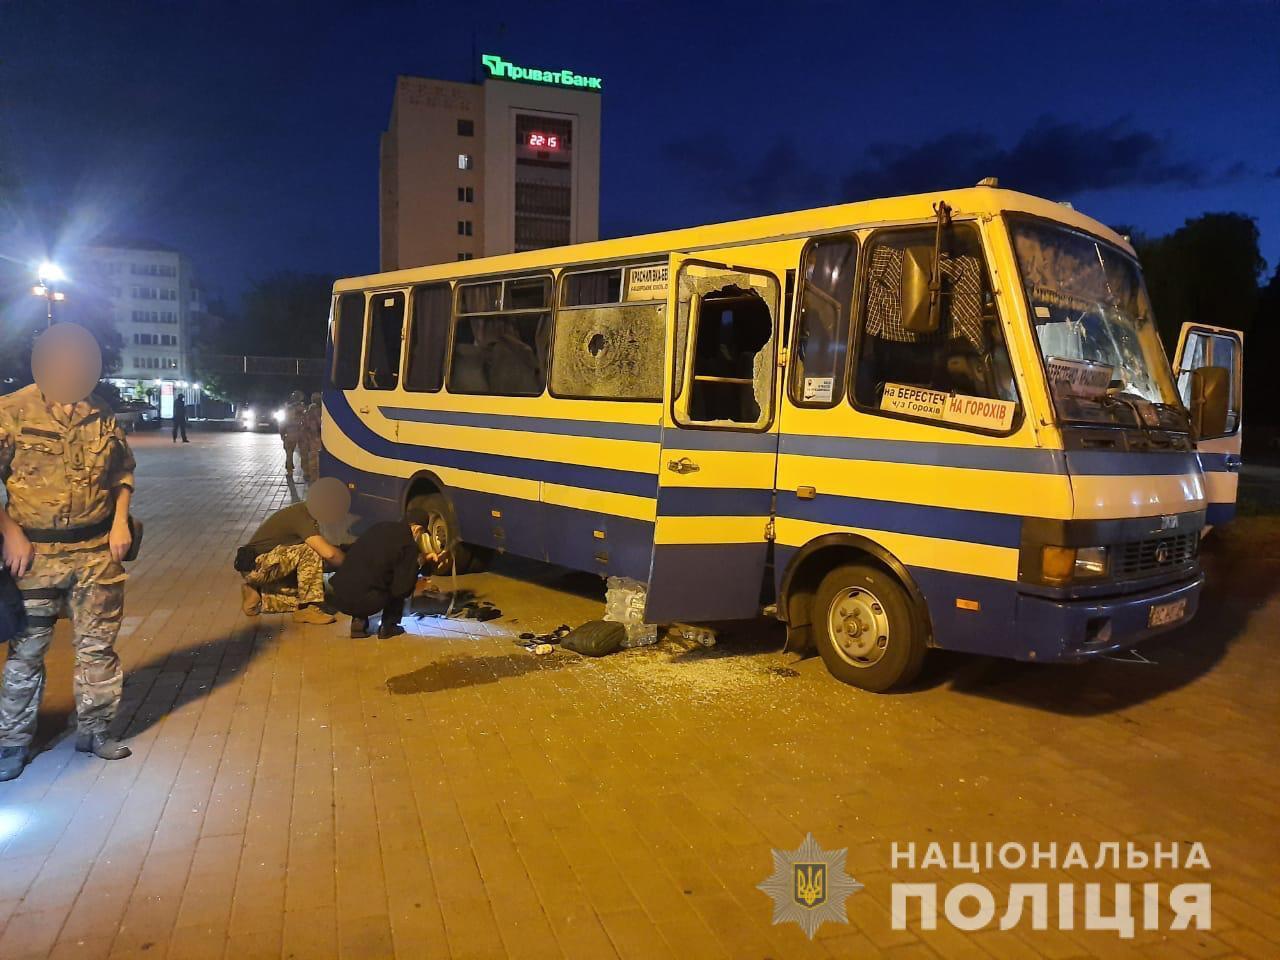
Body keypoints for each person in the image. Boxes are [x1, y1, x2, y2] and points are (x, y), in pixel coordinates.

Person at [0, 324, 137, 782]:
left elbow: (122, 474)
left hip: (96, 553)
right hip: (34, 556)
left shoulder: (101, 413)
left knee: (98, 648)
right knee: (26, 653)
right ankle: (13, 742)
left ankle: (94, 731)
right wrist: (11, 533)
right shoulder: (12, 411)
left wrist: (120, 522)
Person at [328, 520, 440, 638]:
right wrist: (415, 572)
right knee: (398, 583)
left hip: (340, 595)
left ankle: (358, 623)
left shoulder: (380, 527)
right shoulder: (408, 544)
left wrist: (422, 558)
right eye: (421, 534)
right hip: (367, 600)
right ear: (416, 529)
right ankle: (389, 626)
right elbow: (402, 589)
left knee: (367, 576)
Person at [238, 500, 343, 624]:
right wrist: (349, 564)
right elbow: (328, 553)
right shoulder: (301, 517)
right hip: (257, 567)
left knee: (318, 592)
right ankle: (310, 608)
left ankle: (260, 597)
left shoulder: (303, 511)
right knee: (310, 550)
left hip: (259, 567)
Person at [280, 390, 306, 476]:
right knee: (303, 453)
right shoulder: (303, 408)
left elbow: (283, 422)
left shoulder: (288, 408)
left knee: (289, 453)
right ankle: (306, 472)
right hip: (301, 433)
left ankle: (290, 471)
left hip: (290, 433)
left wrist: (282, 434)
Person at [300, 392, 322, 483]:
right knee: (314, 458)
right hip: (315, 436)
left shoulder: (309, 410)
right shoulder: (316, 410)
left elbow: (304, 424)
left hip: (310, 436)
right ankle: (314, 477)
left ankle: (307, 473)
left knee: (308, 456)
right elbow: (319, 423)